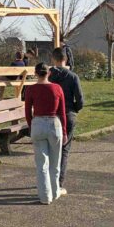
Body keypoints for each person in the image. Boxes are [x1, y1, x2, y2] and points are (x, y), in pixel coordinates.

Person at [24, 62, 67, 205]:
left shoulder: (30, 89)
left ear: (35, 73)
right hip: (54, 124)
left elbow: (27, 112)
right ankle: (55, 192)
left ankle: (45, 197)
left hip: (37, 124)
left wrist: (31, 126)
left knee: (41, 164)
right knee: (55, 163)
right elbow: (62, 112)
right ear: (49, 73)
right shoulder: (57, 88)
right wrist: (64, 131)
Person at [49, 47, 84, 194]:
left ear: (53, 59)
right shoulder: (73, 77)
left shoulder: (48, 75)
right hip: (68, 114)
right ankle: (58, 183)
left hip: (51, 115)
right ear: (67, 59)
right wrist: (74, 109)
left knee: (50, 149)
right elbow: (80, 100)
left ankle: (47, 180)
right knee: (64, 150)